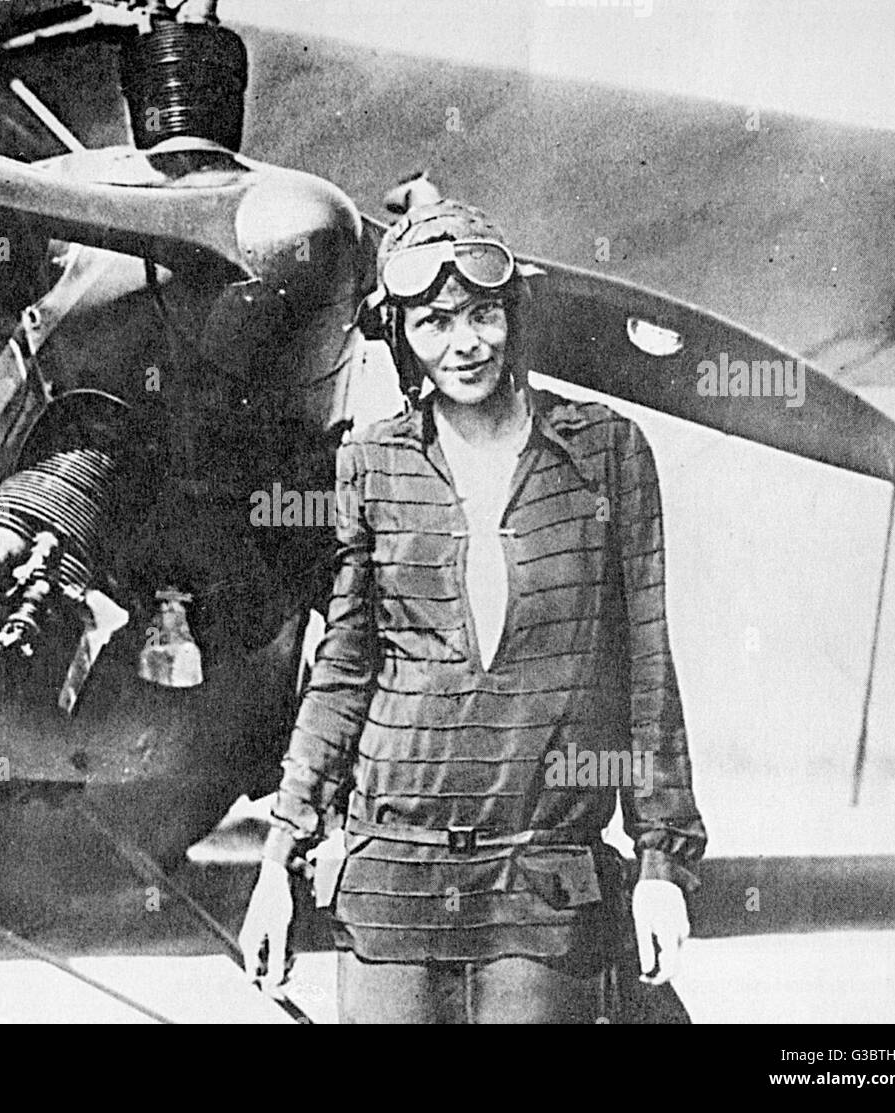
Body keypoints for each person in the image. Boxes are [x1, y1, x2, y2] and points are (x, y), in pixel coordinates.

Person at [238, 198, 707, 1023]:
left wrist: (660, 866)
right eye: (434, 322)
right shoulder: (369, 462)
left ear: (512, 315)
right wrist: (278, 861)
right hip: (392, 881)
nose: (465, 343)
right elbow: (343, 672)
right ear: (403, 336)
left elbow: (645, 672)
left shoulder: (606, 451)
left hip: (542, 879)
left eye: (483, 314)